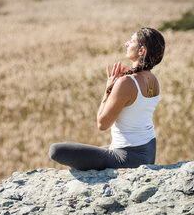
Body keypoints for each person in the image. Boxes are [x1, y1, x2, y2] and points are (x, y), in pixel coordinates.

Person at [48, 27, 165, 171]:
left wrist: (108, 89)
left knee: (55, 150)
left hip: (127, 158)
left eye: (132, 41)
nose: (126, 43)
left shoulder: (127, 82)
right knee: (87, 152)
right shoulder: (155, 80)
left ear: (141, 51)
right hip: (148, 153)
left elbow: (102, 124)